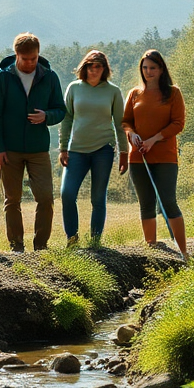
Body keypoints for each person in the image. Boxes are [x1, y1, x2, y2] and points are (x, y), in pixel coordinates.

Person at [0, 32, 66, 252]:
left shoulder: (50, 77)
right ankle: (16, 246)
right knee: (12, 199)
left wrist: (46, 116)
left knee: (46, 198)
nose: (30, 63)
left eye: (34, 58)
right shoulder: (2, 78)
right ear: (16, 55)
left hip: (38, 149)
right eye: (25, 59)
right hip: (9, 150)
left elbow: (61, 110)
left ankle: (41, 246)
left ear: (38, 54)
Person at [59, 50, 130, 247]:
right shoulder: (74, 88)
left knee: (98, 198)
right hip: (76, 150)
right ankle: (72, 240)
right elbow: (67, 119)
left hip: (103, 149)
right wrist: (63, 148)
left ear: (104, 69)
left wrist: (124, 153)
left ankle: (95, 243)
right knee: (67, 194)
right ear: (85, 67)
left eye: (98, 66)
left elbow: (120, 125)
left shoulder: (113, 91)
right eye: (90, 66)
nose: (94, 70)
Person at [122, 50, 187, 256]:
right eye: (145, 68)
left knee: (168, 202)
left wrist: (154, 139)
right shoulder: (134, 94)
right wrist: (131, 134)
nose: (148, 72)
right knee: (146, 204)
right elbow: (126, 122)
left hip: (165, 156)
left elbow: (178, 123)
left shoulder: (173, 93)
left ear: (161, 70)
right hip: (138, 157)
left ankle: (183, 252)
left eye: (153, 68)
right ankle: (152, 250)